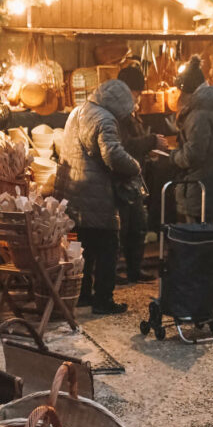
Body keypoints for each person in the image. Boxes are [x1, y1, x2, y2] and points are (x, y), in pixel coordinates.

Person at [54, 79, 140, 314]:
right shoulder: (105, 119)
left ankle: (82, 294)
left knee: (80, 247)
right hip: (96, 195)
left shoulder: (78, 111)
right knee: (107, 247)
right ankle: (103, 300)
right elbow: (112, 154)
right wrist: (135, 166)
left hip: (72, 194)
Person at [115, 64, 168, 282]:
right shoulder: (117, 114)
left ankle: (134, 270)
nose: (137, 98)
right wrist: (151, 141)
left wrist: (148, 151)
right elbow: (123, 145)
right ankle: (113, 271)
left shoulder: (128, 112)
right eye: (136, 93)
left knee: (137, 226)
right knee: (122, 228)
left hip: (133, 179)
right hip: (120, 179)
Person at [170, 55, 213, 222]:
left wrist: (173, 156)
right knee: (206, 237)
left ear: (187, 93)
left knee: (197, 240)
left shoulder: (200, 114)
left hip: (200, 187)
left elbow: (193, 155)